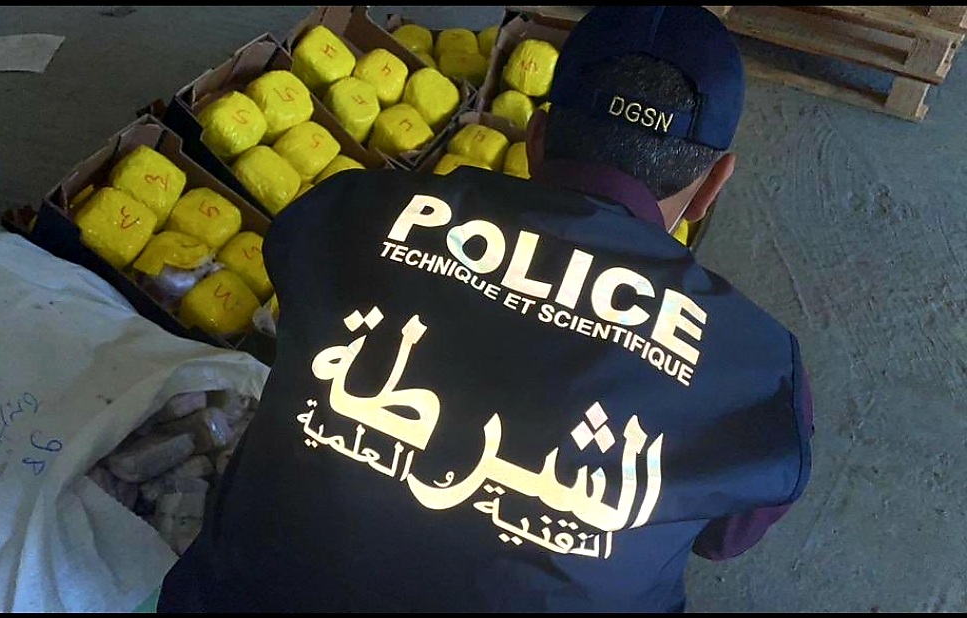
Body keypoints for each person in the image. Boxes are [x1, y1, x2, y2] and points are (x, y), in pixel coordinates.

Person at [158, 5, 814, 613]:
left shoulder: (352, 212)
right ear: (712, 187)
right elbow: (724, 539)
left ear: (535, 135)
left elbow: (294, 285)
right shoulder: (756, 371)